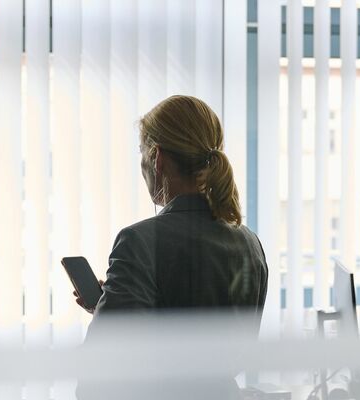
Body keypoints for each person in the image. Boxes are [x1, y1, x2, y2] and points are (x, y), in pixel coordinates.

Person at [74, 95, 269, 400]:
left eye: (142, 152)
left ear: (157, 158)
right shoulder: (249, 243)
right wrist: (108, 304)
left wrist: (106, 316)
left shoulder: (138, 242)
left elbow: (98, 375)